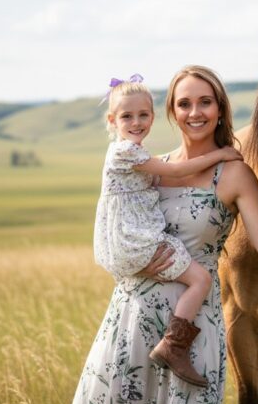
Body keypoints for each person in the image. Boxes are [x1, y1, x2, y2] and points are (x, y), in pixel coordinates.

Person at [67, 65, 258, 404]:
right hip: (132, 318)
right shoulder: (150, 167)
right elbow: (113, 230)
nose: (195, 113)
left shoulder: (235, 173)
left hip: (192, 334)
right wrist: (134, 263)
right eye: (184, 104)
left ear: (220, 109)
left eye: (205, 102)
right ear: (172, 112)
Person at [93, 74, 242, 386]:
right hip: (135, 239)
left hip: (127, 237)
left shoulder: (131, 152)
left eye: (143, 115)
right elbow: (174, 171)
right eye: (127, 116)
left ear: (154, 116)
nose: (136, 122)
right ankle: (174, 346)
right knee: (200, 278)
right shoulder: (128, 152)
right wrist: (220, 155)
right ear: (112, 120)